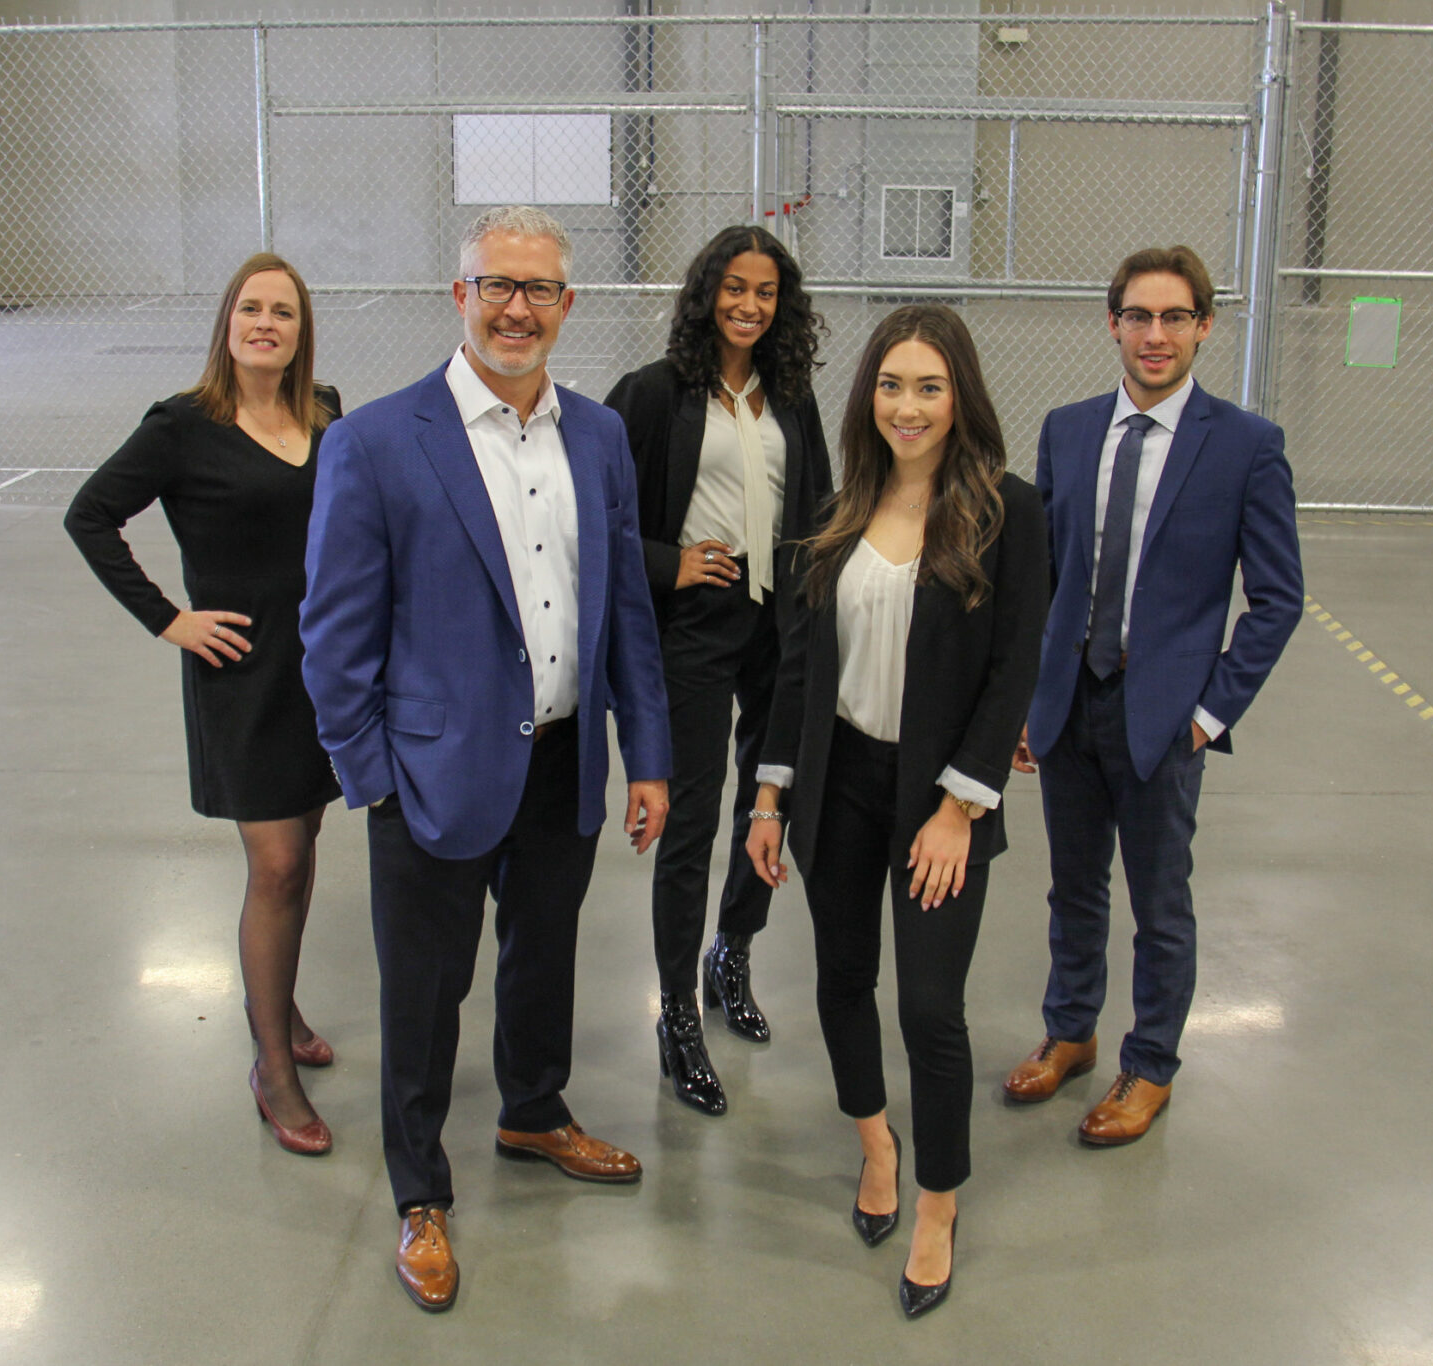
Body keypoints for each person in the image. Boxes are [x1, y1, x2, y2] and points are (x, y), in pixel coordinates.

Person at [299, 205, 672, 1315]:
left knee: (542, 955)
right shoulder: (376, 441)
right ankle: (420, 1191)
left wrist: (646, 754)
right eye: (494, 285)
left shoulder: (598, 437)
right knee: (424, 992)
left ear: (568, 304)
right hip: (430, 772)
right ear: (458, 296)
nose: (517, 308)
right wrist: (371, 777)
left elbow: (626, 608)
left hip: (563, 756)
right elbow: (333, 639)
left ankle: (533, 1111)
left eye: (538, 288)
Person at [744, 304, 1047, 1319]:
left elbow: (1012, 671)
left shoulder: (1008, 512)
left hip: (938, 799)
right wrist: (769, 794)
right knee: (840, 978)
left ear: (960, 397)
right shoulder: (835, 513)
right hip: (839, 782)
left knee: (928, 1009)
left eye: (927, 386)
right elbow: (797, 671)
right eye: (889, 384)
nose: (906, 406)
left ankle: (938, 1202)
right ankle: (875, 1141)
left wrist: (960, 807)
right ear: (865, 396)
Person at [1003, 245, 1302, 1146]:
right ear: (1113, 324)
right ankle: (1070, 1031)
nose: (1156, 334)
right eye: (1139, 315)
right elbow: (1043, 577)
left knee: (1161, 907)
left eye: (1176, 317)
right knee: (1072, 890)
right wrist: (1028, 698)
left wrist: (1208, 715)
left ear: (1205, 326)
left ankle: (1151, 1064)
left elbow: (1277, 598)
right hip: (1070, 706)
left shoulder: (1245, 446)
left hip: (1164, 718)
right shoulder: (1068, 430)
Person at [64, 252, 343, 1158]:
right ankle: (272, 1067)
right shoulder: (182, 426)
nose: (266, 324)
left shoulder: (323, 412)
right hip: (243, 674)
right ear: (228, 323)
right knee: (277, 864)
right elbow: (89, 516)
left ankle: (281, 1006)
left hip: (319, 668)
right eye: (251, 309)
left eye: (283, 313)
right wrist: (169, 620)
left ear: (301, 332)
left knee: (303, 847)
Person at [603, 225, 833, 1116]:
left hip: (780, 621)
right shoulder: (655, 393)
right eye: (734, 287)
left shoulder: (792, 398)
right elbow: (602, 514)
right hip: (697, 621)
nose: (749, 305)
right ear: (707, 294)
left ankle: (732, 948)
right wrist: (672, 564)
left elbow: (817, 505)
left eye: (765, 292)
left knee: (772, 799)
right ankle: (677, 1013)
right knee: (691, 821)